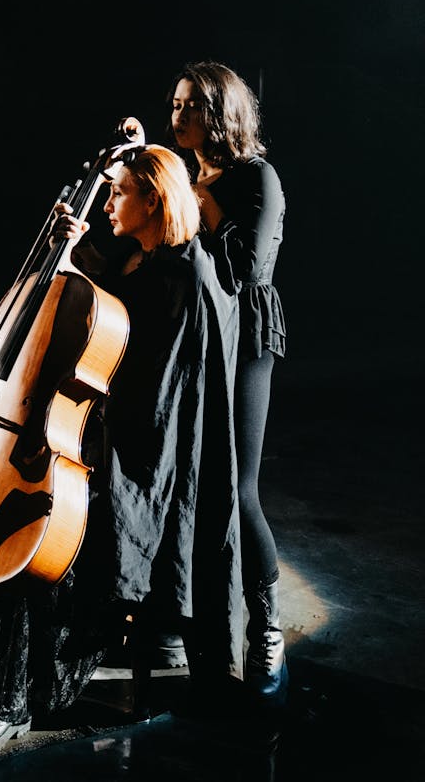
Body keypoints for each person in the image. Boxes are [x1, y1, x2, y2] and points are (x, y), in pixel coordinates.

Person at [0, 141, 244, 760]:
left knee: (44, 525)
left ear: (154, 199)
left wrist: (74, 448)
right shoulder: (133, 258)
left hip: (137, 470)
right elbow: (81, 316)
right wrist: (69, 251)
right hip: (91, 446)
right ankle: (4, 668)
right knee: (23, 512)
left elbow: (155, 409)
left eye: (118, 193)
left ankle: (14, 694)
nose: (108, 203)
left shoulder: (182, 279)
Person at [168, 60, 288, 704]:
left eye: (190, 105)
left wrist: (204, 201)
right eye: (175, 104)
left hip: (243, 341)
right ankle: (177, 618)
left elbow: (247, 270)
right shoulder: (177, 169)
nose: (177, 115)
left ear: (221, 111)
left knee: (238, 488)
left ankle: (267, 630)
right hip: (187, 341)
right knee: (183, 478)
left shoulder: (255, 178)